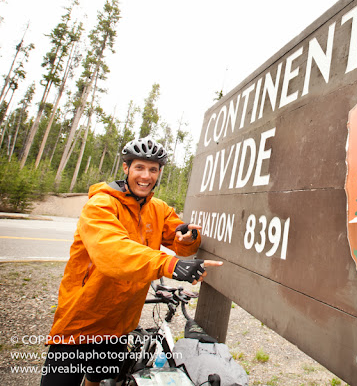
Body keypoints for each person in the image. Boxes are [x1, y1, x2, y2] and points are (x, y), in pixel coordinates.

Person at [40, 137, 222, 386]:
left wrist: (189, 237)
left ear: (159, 173)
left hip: (120, 325)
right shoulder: (100, 205)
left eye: (153, 169)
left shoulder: (158, 209)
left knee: (100, 380)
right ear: (126, 168)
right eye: (139, 167)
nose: (146, 176)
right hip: (82, 323)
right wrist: (170, 265)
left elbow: (180, 240)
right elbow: (112, 251)